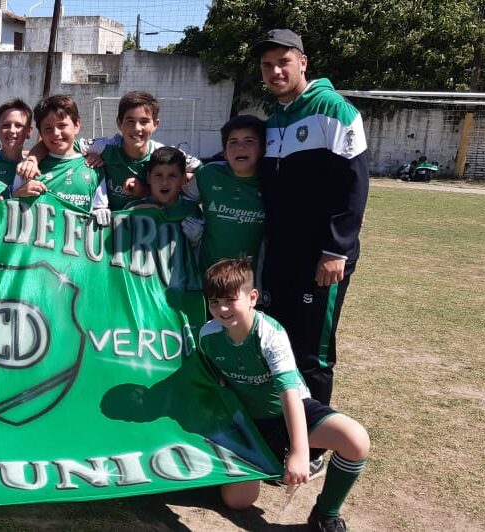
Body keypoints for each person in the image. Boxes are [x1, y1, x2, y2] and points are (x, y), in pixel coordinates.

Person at [198, 259, 369, 532]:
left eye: (231, 299)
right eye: (214, 302)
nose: (222, 309)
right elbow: (211, 382)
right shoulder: (207, 336)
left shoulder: (270, 334)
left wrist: (301, 453)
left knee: (355, 439)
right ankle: (271, 461)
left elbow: (290, 396)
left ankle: (326, 514)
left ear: (253, 297)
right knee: (238, 501)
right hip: (252, 427)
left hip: (290, 411)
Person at [254, 29, 369, 415]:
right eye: (267, 65)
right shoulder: (274, 119)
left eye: (283, 62)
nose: (275, 71)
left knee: (311, 354)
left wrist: (336, 249)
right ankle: (282, 427)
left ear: (303, 62)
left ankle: (315, 443)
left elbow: (354, 184)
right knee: (276, 343)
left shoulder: (334, 110)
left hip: (321, 260)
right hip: (280, 256)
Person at [16, 91, 200, 210]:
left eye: (144, 122)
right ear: (119, 123)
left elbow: (201, 170)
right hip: (111, 227)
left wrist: (146, 189)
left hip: (149, 224)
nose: (137, 128)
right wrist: (32, 158)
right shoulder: (105, 146)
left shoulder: (164, 154)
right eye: (130, 121)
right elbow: (57, 143)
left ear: (155, 125)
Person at [185, 115, 267, 274]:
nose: (240, 147)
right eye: (233, 142)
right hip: (207, 275)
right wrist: (195, 226)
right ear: (224, 151)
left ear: (263, 148)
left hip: (250, 281)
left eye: (249, 141)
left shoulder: (272, 182)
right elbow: (183, 201)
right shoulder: (208, 174)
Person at [12, 94, 110, 222]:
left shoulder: (94, 168)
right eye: (48, 128)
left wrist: (101, 211)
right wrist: (17, 195)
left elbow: (99, 209)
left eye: (62, 125)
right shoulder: (27, 168)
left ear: (77, 125)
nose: (56, 133)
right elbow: (9, 210)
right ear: (40, 132)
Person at [123, 146, 201, 223]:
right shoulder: (132, 209)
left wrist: (199, 235)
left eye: (172, 176)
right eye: (158, 175)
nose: (164, 182)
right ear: (148, 177)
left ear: (183, 179)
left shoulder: (191, 209)